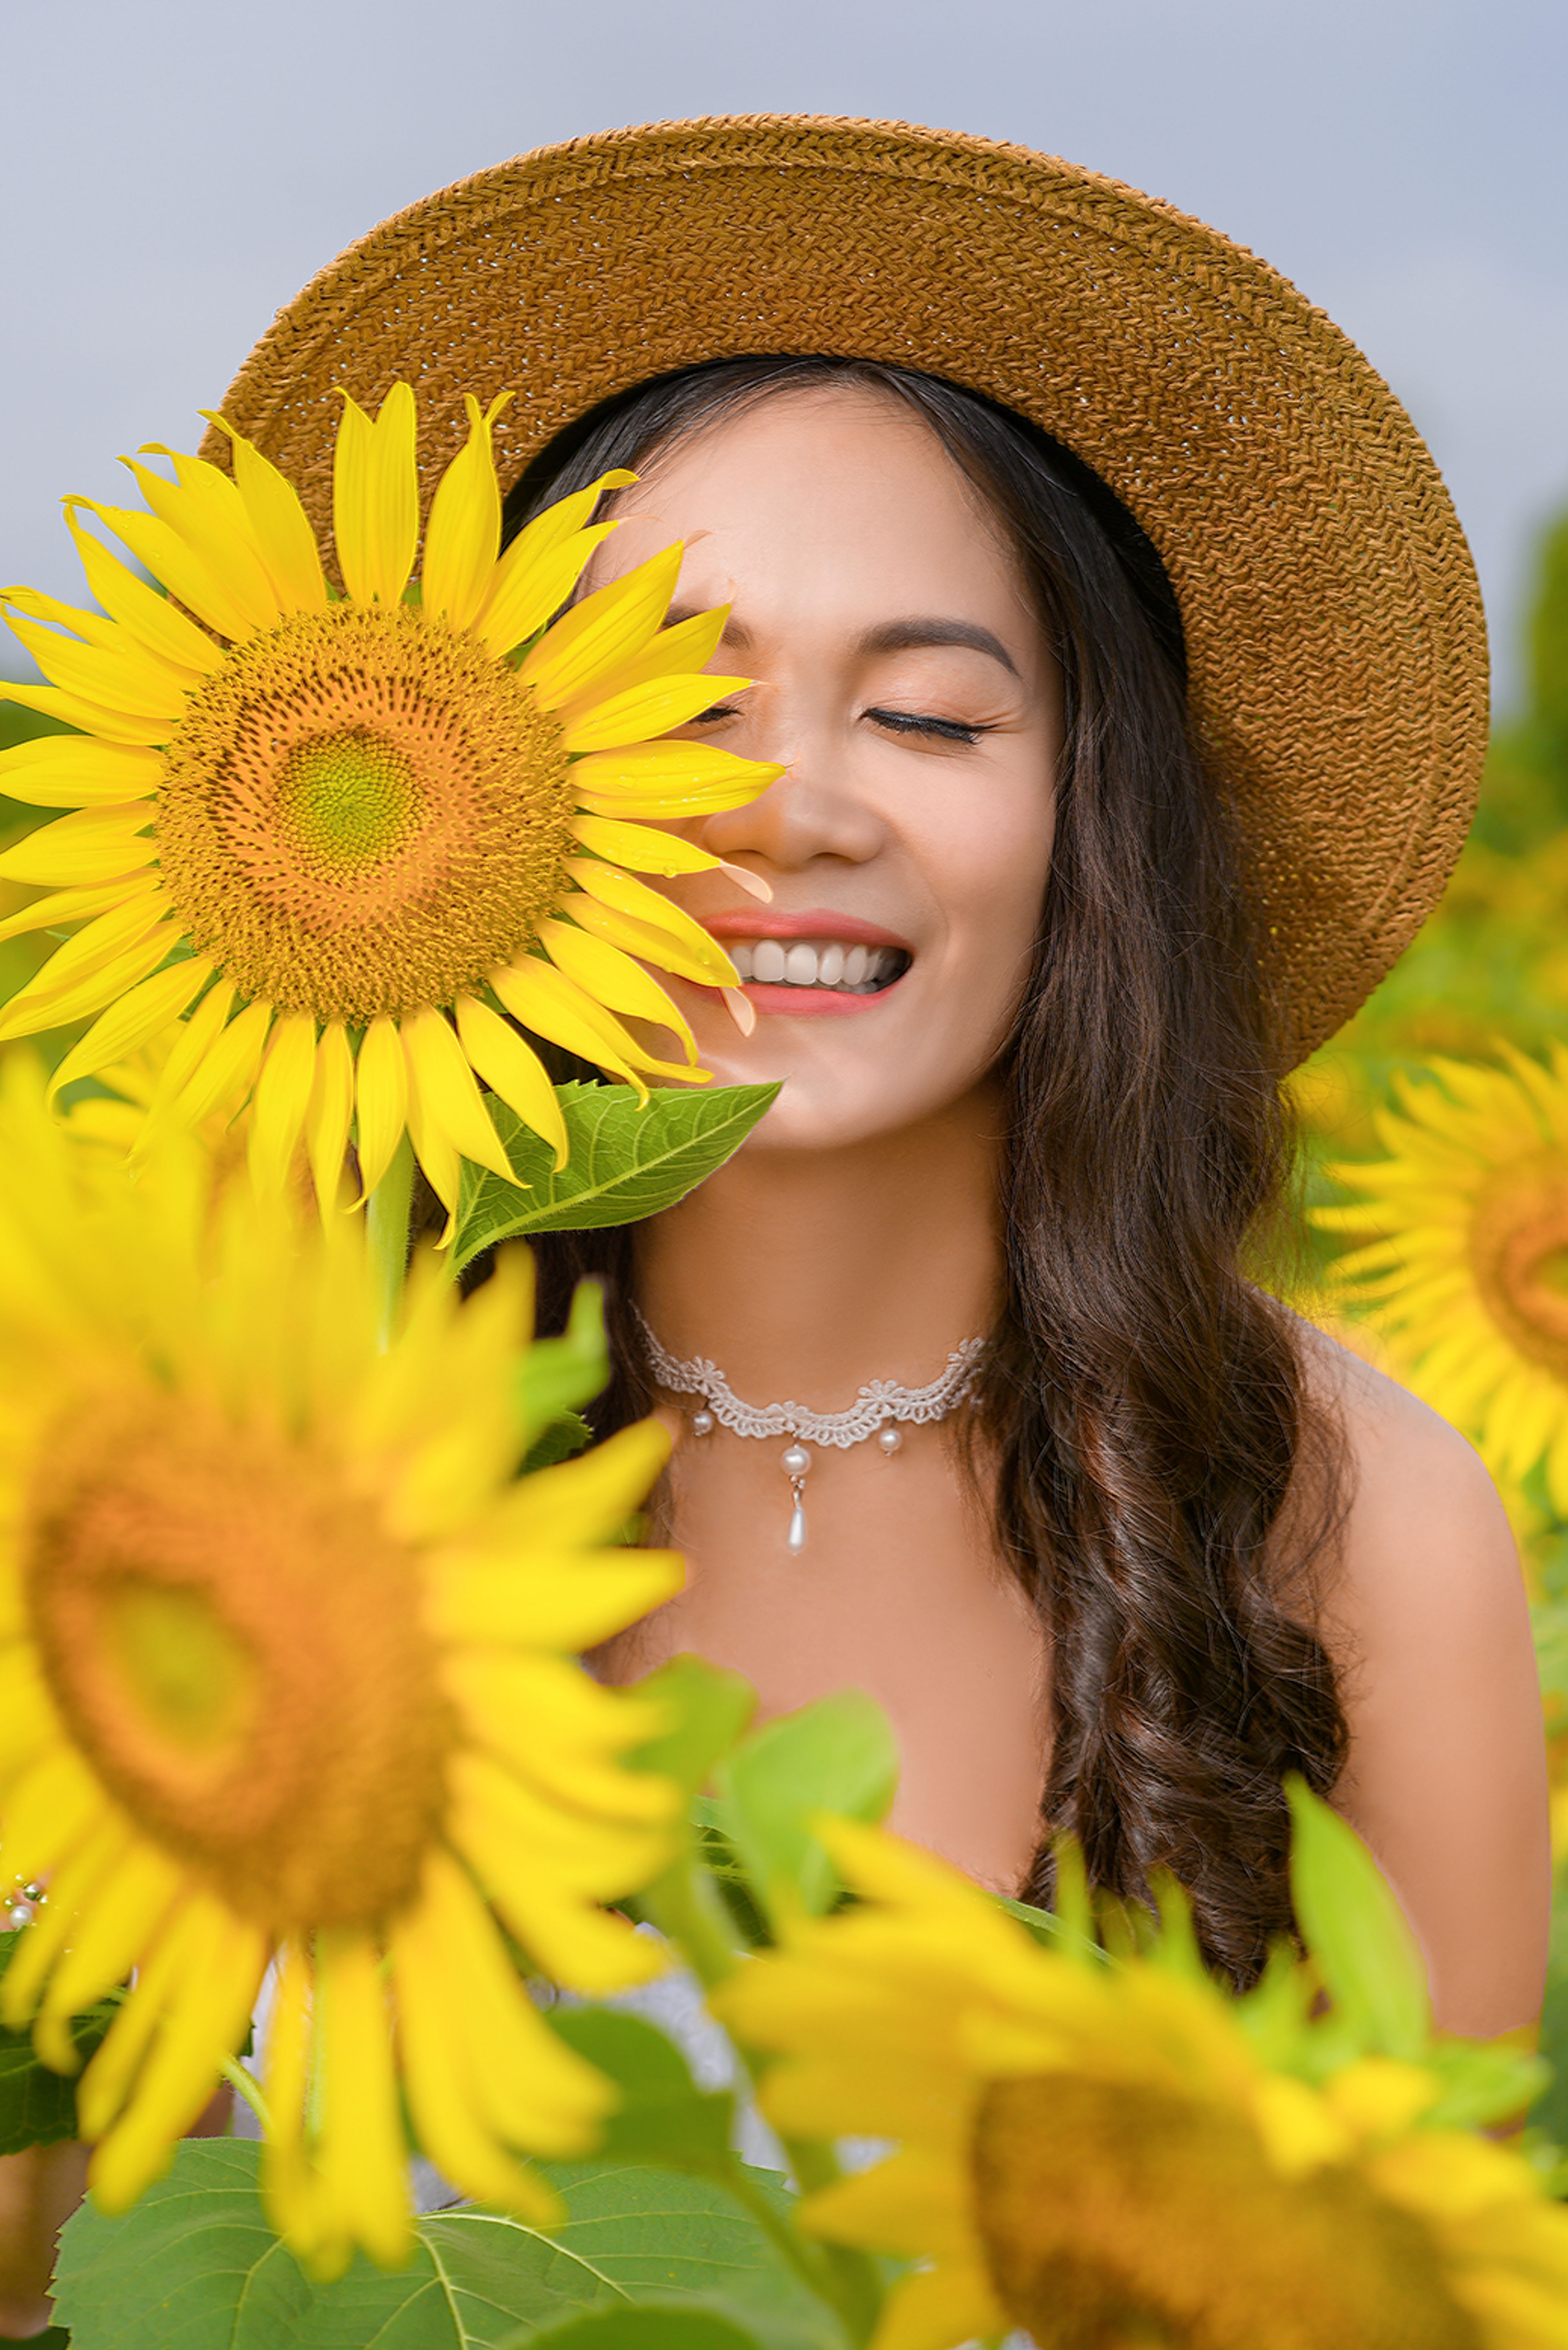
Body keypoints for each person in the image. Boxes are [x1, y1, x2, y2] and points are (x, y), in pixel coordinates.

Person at [2, 118, 1551, 2326]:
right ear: (457, 795)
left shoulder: (1355, 1516)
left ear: (1088, 811)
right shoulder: (220, 1462)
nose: (801, 806)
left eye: (928, 712)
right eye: (676, 707)